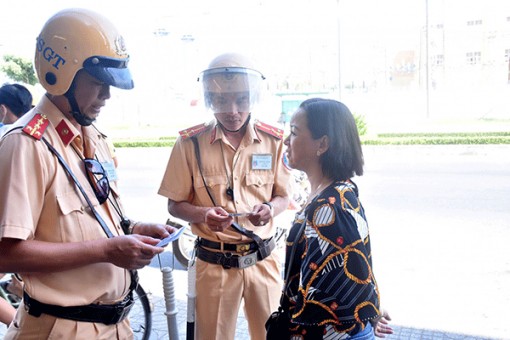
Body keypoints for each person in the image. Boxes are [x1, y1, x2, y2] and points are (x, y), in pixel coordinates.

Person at [0, 8, 177, 339]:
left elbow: (94, 216)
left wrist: (134, 229)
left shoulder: (93, 138)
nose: (107, 96)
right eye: (98, 83)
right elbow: (6, 253)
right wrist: (107, 250)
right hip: (60, 328)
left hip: (115, 325)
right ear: (60, 75)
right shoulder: (26, 144)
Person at [158, 52, 291, 340]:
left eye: (241, 99)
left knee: (274, 336)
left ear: (253, 97)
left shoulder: (273, 141)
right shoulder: (189, 144)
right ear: (209, 99)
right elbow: (174, 204)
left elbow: (283, 196)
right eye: (221, 100)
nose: (232, 110)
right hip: (215, 265)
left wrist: (270, 208)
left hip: (263, 260)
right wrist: (202, 214)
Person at [282, 98, 393, 339]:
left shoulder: (330, 207)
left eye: (294, 132)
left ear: (322, 144)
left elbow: (332, 297)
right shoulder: (334, 192)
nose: (285, 140)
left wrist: (367, 310)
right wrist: (370, 309)